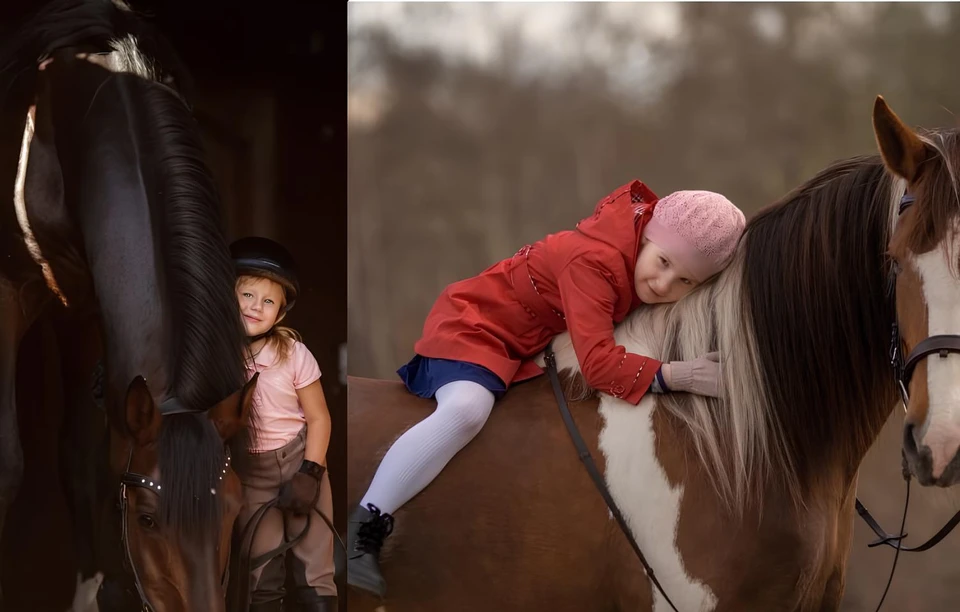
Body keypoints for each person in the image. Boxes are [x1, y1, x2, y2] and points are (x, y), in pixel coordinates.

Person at [347, 180, 746, 598]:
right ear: (645, 235)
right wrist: (680, 376)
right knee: (467, 410)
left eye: (684, 281)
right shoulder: (595, 261)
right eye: (663, 261)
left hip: (528, 341)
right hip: (478, 326)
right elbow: (598, 365)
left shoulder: (631, 256)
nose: (664, 285)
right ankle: (368, 520)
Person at [230, 237, 336, 612]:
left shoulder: (292, 354)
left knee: (314, 573)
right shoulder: (216, 358)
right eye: (247, 295)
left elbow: (319, 417)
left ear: (280, 313)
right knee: (260, 578)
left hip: (300, 461)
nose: (256, 307)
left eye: (268, 301)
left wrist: (311, 471)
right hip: (251, 473)